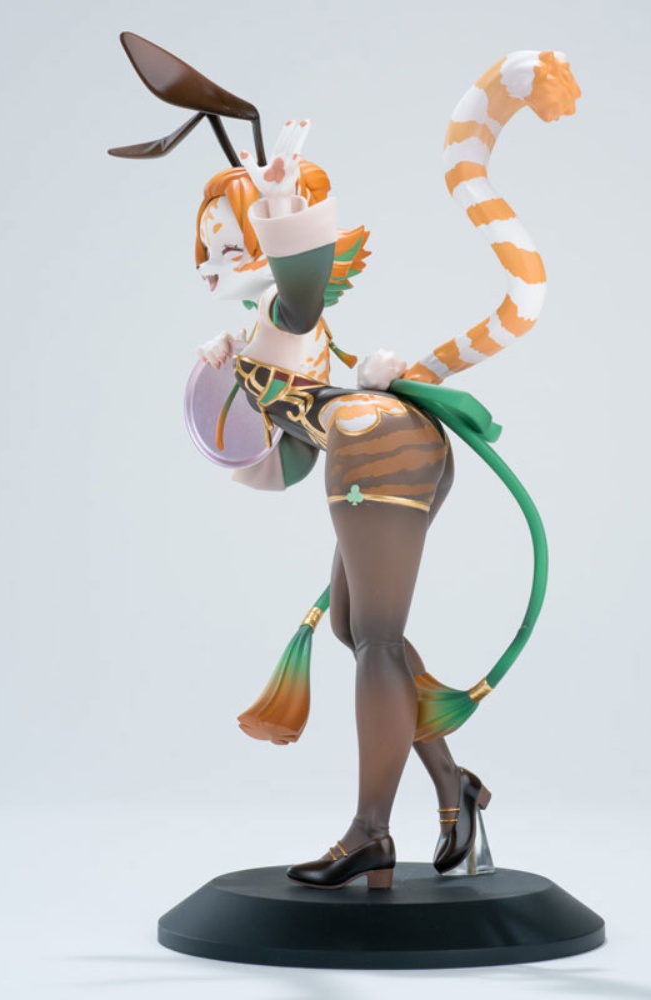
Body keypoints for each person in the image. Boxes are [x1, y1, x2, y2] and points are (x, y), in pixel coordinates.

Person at [195, 122, 490, 889]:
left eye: (229, 244)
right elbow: (286, 389)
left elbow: (300, 292)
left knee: (378, 639)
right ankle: (454, 784)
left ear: (267, 244)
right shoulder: (266, 326)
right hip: (370, 450)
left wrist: (281, 201)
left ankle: (371, 833)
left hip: (372, 448)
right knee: (354, 629)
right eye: (208, 247)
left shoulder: (285, 309)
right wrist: (230, 354)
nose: (209, 262)